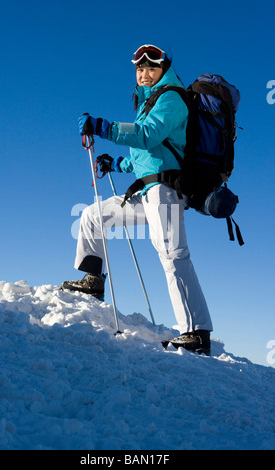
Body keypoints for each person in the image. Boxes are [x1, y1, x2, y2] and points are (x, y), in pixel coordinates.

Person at [61, 44, 213, 354]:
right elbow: (146, 155)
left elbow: (148, 135)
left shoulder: (172, 98)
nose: (144, 73)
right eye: (139, 69)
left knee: (173, 254)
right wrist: (116, 164)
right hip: (146, 191)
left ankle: (196, 333)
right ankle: (94, 280)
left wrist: (105, 128)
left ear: (163, 69)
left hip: (166, 191)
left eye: (150, 68)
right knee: (94, 215)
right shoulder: (150, 103)